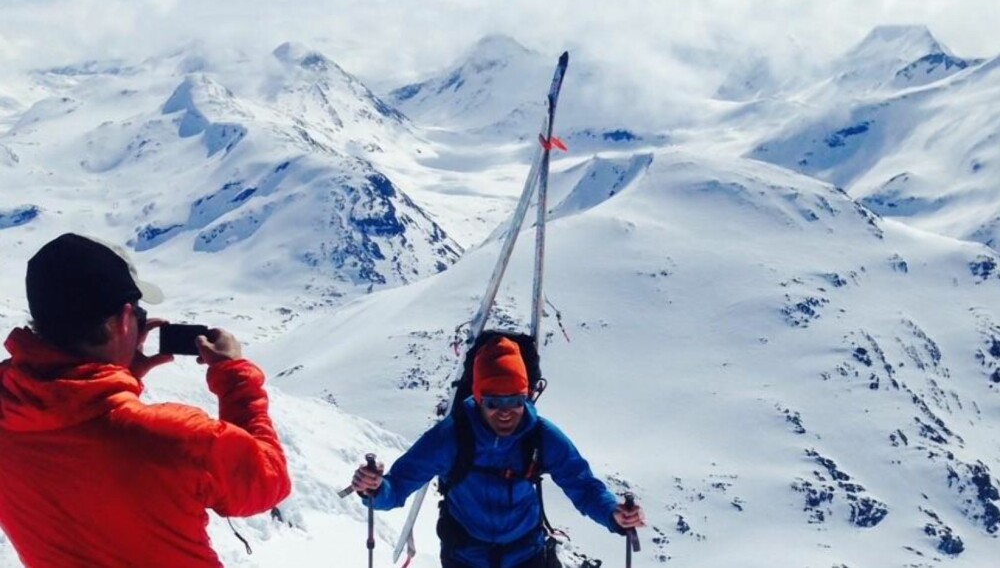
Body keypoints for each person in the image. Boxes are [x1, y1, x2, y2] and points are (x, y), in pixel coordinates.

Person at [0, 233, 291, 567]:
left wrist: (116, 376)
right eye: (137, 313)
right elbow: (268, 481)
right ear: (122, 321)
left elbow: (73, 423)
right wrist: (233, 376)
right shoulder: (177, 438)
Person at [351, 335, 645, 568]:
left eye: (514, 401)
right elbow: (397, 487)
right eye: (494, 402)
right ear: (478, 397)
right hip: (466, 558)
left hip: (526, 557)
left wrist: (612, 514)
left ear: (526, 396)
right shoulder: (452, 437)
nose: (506, 413)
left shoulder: (540, 435)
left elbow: (582, 485)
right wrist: (374, 489)